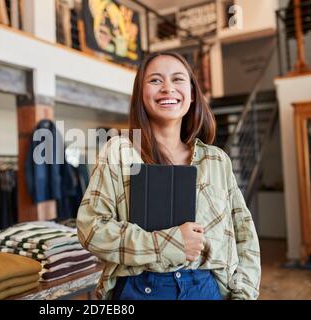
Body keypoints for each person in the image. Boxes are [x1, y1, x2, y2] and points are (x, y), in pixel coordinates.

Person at [76, 51, 261, 300]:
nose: (167, 88)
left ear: (192, 93)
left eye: (177, 79)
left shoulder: (216, 160)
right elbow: (91, 228)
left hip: (207, 288)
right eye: (155, 80)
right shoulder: (119, 152)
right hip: (141, 289)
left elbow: (245, 234)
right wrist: (170, 243)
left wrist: (244, 294)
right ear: (140, 94)